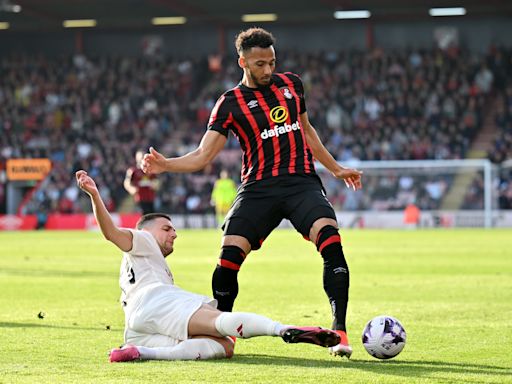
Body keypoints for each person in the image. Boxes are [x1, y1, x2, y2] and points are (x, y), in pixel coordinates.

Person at [141, 27, 362, 358]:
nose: (268, 70)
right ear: (242, 61)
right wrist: (165, 165)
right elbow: (203, 155)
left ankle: (339, 331)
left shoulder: (292, 85)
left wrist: (335, 168)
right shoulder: (229, 104)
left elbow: (307, 130)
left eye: (272, 62)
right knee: (228, 258)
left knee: (330, 240)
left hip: (301, 182)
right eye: (260, 64)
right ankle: (221, 332)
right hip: (258, 188)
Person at [75, 170, 341, 363]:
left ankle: (141, 352)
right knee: (221, 323)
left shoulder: (148, 263)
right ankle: (281, 329)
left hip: (135, 325)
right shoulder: (143, 239)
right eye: (167, 228)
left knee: (223, 347)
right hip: (155, 299)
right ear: (145, 230)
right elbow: (111, 233)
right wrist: (95, 195)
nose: (174, 234)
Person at [124, 150, 159, 214]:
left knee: (152, 217)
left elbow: (156, 181)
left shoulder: (150, 170)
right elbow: (127, 183)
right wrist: (132, 189)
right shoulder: (133, 171)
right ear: (137, 158)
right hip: (139, 198)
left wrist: (154, 185)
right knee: (143, 217)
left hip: (150, 197)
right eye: (140, 157)